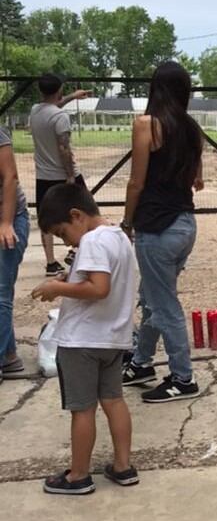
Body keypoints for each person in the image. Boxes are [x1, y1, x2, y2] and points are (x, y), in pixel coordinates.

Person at [31, 183, 137, 494]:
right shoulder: (119, 238)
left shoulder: (91, 240)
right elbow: (104, 280)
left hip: (82, 341)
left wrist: (57, 288)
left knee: (83, 409)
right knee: (114, 401)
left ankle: (78, 475)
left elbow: (98, 288)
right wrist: (71, 276)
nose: (66, 241)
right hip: (113, 338)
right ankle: (123, 466)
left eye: (63, 233)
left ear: (76, 216)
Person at [120, 61, 204, 403]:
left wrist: (126, 223)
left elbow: (136, 182)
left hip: (156, 228)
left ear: (155, 88)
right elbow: (197, 180)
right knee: (153, 297)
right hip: (185, 225)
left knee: (163, 304)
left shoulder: (146, 126)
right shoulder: (191, 128)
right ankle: (141, 362)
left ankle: (183, 378)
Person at [29, 73, 91, 276]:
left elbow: (52, 107)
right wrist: (70, 175)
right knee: (86, 211)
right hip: (61, 174)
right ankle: (78, 249)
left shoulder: (35, 111)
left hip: (43, 175)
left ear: (41, 90)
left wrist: (73, 96)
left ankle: (51, 262)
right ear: (59, 90)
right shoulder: (60, 117)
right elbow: (64, 148)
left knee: (45, 218)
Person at [0, 126, 29, 383]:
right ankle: (9, 356)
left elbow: (10, 176)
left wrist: (6, 222)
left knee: (0, 294)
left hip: (9, 220)